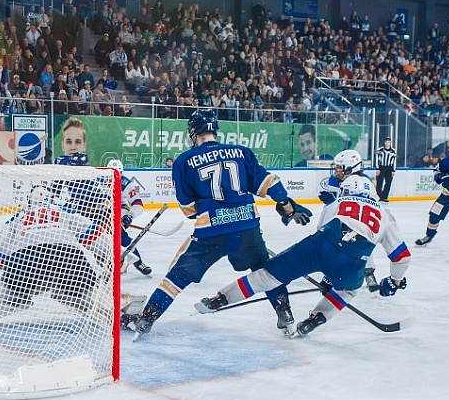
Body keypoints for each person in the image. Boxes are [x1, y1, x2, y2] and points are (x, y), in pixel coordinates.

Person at [122, 110, 312, 338]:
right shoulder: (241, 152)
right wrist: (286, 204)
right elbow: (269, 182)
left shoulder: (183, 161)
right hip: (247, 228)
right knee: (265, 271)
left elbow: (189, 209)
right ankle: (285, 312)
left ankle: (146, 319)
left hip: (211, 232)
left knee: (177, 277)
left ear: (193, 133)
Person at [206, 176, 411, 337]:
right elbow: (402, 257)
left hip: (319, 246)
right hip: (352, 262)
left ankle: (222, 298)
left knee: (267, 276)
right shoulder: (384, 213)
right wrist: (394, 281)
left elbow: (322, 229)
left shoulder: (337, 202)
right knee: (348, 291)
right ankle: (316, 318)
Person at [0, 179, 111, 325]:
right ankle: (109, 313)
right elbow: (94, 234)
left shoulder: (18, 217)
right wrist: (111, 256)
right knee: (81, 294)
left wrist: (4, 272)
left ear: (29, 200)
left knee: (15, 296)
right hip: (68, 259)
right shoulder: (63, 210)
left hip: (26, 261)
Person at [317, 149, 380, 291]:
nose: (337, 171)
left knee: (352, 242)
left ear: (350, 168)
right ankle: (339, 273)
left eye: (340, 168)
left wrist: (333, 203)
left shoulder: (360, 183)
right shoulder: (354, 181)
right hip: (350, 218)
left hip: (356, 220)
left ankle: (367, 272)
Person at [107, 159, 152, 276]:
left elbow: (138, 204)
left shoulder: (126, 184)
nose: (116, 176)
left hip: (120, 209)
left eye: (119, 173)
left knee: (120, 235)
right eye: (113, 172)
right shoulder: (99, 181)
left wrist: (129, 217)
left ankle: (138, 262)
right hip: (104, 210)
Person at [375, 137, 396, 202]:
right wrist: (377, 168)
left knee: (388, 183)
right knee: (379, 182)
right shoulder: (380, 150)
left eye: (389, 142)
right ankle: (379, 196)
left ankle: (385, 197)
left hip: (389, 168)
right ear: (384, 143)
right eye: (386, 142)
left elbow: (394, 161)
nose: (387, 143)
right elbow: (377, 159)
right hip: (381, 167)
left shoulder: (393, 151)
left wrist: (393, 170)